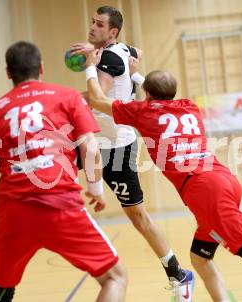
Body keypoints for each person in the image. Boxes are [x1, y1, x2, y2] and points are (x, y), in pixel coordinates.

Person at [81, 49, 242, 302]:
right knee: (200, 258)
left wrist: (91, 66)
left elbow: (96, 98)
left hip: (206, 193)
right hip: (224, 179)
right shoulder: (189, 107)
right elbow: (162, 93)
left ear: (146, 94)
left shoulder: (143, 112)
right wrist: (138, 76)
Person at [0, 41, 127, 302]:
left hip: (13, 215)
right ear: (42, 68)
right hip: (60, 205)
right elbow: (90, 148)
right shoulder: (67, 96)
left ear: (8, 73)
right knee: (115, 277)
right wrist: (95, 189)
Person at [70, 6, 194, 297]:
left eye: (99, 25)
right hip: (93, 140)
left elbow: (96, 96)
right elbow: (133, 49)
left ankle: (177, 274)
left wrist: (89, 64)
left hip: (115, 147)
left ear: (112, 31)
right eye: (92, 22)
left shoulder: (109, 59)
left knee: (138, 216)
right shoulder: (121, 50)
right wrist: (98, 49)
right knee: (55, 176)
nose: (92, 27)